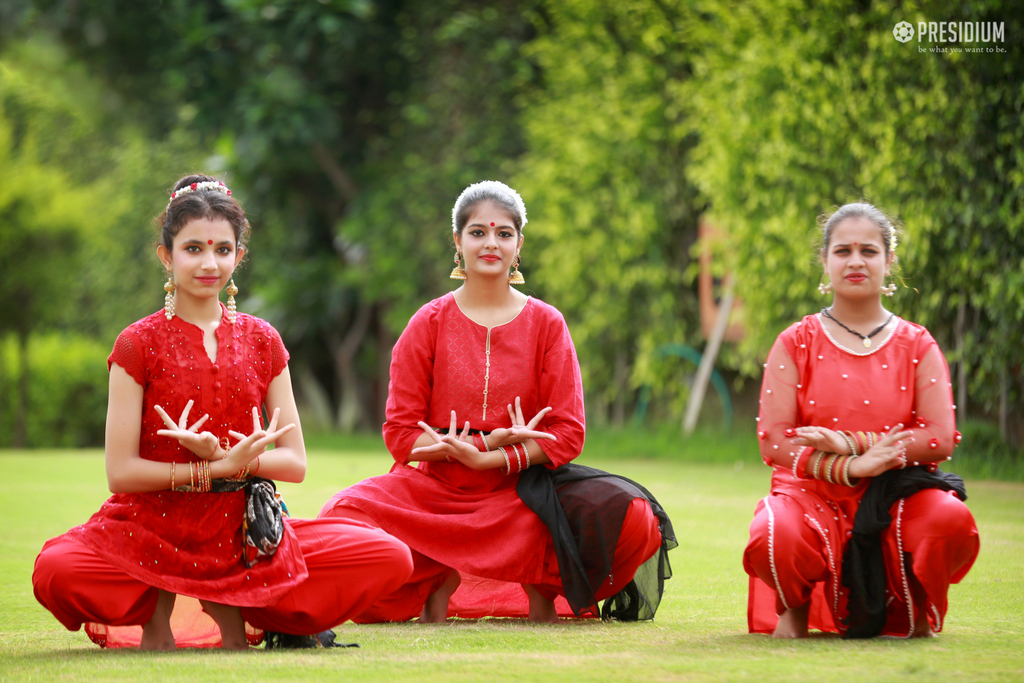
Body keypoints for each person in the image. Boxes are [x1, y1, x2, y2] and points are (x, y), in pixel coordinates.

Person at [32, 174, 413, 649]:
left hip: (243, 528)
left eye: (223, 249)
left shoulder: (263, 340)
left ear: (239, 255)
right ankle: (162, 609)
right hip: (150, 525)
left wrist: (237, 463)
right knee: (56, 570)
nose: (210, 263)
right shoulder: (137, 344)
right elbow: (120, 471)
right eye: (193, 249)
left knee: (389, 555)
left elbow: (294, 461)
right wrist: (207, 470)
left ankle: (248, 601)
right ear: (166, 256)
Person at [319, 180, 674, 623]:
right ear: (458, 241)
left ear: (519, 244)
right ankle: (434, 576)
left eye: (504, 233)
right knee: (341, 514)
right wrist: (463, 450)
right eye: (478, 232)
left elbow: (569, 433)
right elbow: (399, 436)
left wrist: (495, 457)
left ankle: (541, 587)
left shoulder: (547, 323)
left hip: (521, 493)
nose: (491, 243)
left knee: (635, 516)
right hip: (437, 494)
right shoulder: (427, 323)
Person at [743, 202, 980, 639]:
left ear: (890, 262)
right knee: (772, 533)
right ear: (825, 261)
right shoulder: (796, 341)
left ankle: (911, 607)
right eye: (843, 250)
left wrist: (854, 445)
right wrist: (848, 468)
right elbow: (774, 442)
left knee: (949, 520)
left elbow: (940, 438)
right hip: (809, 494)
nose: (855, 261)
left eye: (869, 251)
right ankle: (793, 612)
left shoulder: (916, 344)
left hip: (895, 493)